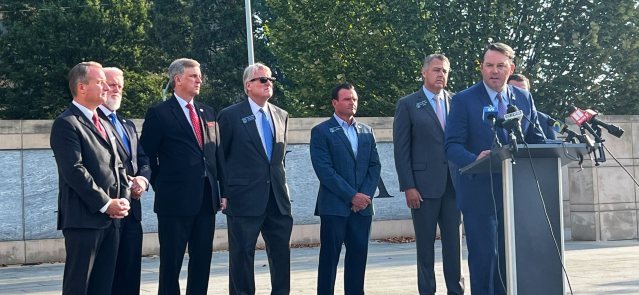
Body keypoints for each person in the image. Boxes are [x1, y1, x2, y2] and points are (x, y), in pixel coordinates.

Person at [444, 43, 545, 295]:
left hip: (515, 194)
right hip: (479, 192)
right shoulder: (464, 99)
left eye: (500, 65)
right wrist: (475, 158)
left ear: (511, 68)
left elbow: (535, 137)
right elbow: (451, 145)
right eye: (489, 65)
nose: (494, 71)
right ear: (482, 68)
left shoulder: (522, 97)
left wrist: (547, 147)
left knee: (509, 261)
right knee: (484, 262)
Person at [140, 58, 224, 295]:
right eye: (193, 76)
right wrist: (162, 185)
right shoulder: (159, 113)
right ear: (177, 79)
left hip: (206, 199)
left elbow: (214, 155)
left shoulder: (207, 112)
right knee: (171, 262)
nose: (199, 80)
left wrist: (222, 191)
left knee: (202, 261)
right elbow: (146, 156)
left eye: (199, 76)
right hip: (174, 201)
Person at [50, 61, 131, 295]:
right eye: (100, 82)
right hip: (83, 220)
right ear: (82, 87)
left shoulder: (105, 122)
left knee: (103, 286)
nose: (106, 87)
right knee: (79, 286)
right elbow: (74, 170)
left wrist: (122, 200)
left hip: (112, 219)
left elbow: (118, 165)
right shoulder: (66, 124)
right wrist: (106, 203)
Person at [217, 62, 293, 295]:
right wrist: (223, 193)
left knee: (281, 254)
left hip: (277, 200)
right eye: (263, 80)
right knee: (241, 257)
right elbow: (221, 158)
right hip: (243, 199)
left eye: (271, 80)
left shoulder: (281, 115)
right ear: (248, 85)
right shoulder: (230, 116)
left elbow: (279, 159)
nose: (268, 83)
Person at [393, 54, 465, 295]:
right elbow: (401, 149)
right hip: (422, 189)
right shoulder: (408, 104)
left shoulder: (457, 102)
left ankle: (456, 290)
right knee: (425, 247)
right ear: (424, 72)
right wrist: (408, 186)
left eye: (444, 70)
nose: (440, 74)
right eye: (436, 70)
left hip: (454, 186)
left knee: (454, 246)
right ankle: (427, 291)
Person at [310, 83, 381, 295]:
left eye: (355, 99)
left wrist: (364, 196)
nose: (352, 103)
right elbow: (325, 170)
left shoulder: (366, 132)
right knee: (329, 261)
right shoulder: (321, 131)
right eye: (347, 99)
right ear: (335, 103)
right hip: (334, 207)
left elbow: (374, 166)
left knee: (358, 261)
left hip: (362, 209)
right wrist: (352, 196)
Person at [96, 67, 151, 295]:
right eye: (111, 84)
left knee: (129, 277)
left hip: (132, 211)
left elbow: (144, 159)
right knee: (105, 279)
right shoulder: (92, 121)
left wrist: (142, 181)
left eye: (120, 85)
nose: (116, 89)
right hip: (106, 212)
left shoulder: (127, 124)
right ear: (100, 86)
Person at [507, 74, 556, 140]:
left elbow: (553, 148)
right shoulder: (500, 113)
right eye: (514, 89)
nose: (517, 94)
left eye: (522, 90)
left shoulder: (544, 120)